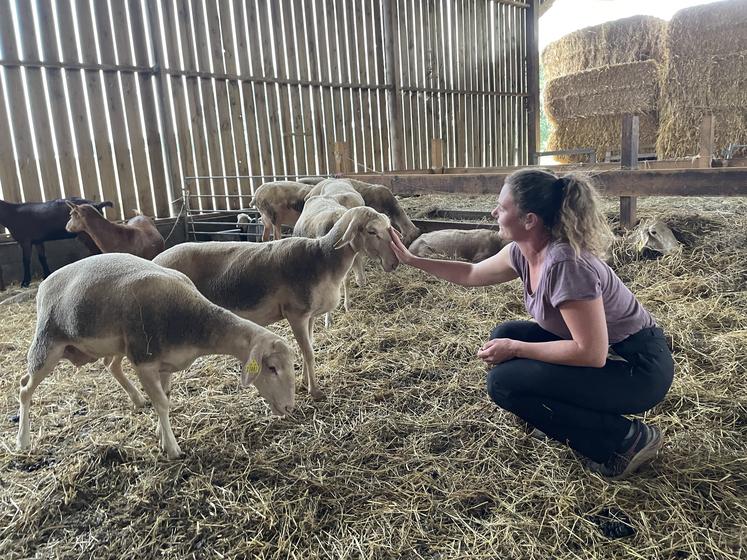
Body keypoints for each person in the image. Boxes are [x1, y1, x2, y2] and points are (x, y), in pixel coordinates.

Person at [388, 169, 674, 480]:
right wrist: (412, 260)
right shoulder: (522, 252)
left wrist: (517, 349)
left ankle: (625, 440)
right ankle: (556, 416)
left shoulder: (565, 264)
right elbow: (470, 274)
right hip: (610, 357)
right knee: (505, 334)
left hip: (637, 369)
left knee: (504, 382)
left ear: (529, 220)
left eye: (503, 207)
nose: (494, 212)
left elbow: (591, 353)